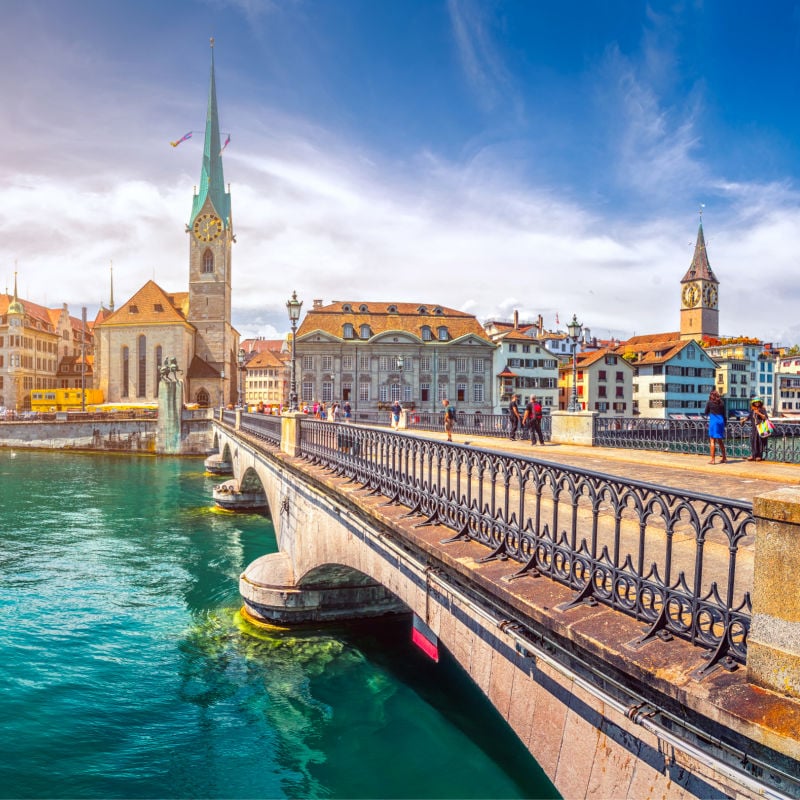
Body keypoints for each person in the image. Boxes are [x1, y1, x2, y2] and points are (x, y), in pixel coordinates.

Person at [704, 390, 727, 464]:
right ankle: (724, 458)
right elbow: (724, 413)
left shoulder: (709, 402)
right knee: (720, 440)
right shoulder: (722, 403)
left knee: (712, 440)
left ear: (711, 396)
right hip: (721, 421)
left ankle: (713, 460)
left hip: (714, 421)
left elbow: (706, 412)